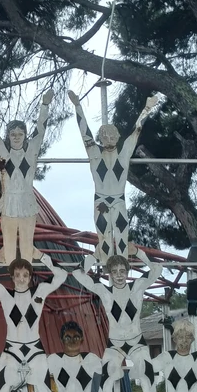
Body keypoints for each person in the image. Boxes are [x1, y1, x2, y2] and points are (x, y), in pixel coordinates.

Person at [73, 243, 163, 392]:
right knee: (105, 378)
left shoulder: (138, 286)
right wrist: (93, 256)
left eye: (123, 270)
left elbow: (158, 268)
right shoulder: (104, 291)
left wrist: (138, 252)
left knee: (147, 373)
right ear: (109, 274)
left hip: (136, 341)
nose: (119, 275)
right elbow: (77, 274)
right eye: (114, 271)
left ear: (128, 271)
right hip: (114, 344)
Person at [0, 249, 68, 392]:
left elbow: (62, 274)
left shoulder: (39, 291)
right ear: (12, 277)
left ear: (31, 277)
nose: (22, 279)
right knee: (0, 388)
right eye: (17, 275)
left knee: (45, 388)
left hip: (34, 347)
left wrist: (40, 256)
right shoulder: (5, 294)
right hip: (12, 348)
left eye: (25, 275)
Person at [68, 90, 161, 263]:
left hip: (118, 201)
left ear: (117, 137)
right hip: (101, 201)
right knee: (103, 237)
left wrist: (147, 109)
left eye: (112, 136)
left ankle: (122, 268)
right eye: (105, 136)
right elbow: (85, 134)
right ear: (101, 139)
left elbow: (136, 131)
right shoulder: (95, 154)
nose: (109, 138)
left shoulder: (123, 154)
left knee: (121, 237)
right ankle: (105, 265)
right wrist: (78, 107)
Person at [0, 89, 53, 264]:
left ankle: (30, 283)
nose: (16, 138)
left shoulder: (31, 154)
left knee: (27, 248)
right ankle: (13, 281)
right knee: (9, 249)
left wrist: (44, 106)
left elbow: (40, 131)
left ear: (25, 136)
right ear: (7, 136)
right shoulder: (3, 155)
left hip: (27, 204)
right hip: (8, 205)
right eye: (13, 134)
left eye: (20, 134)